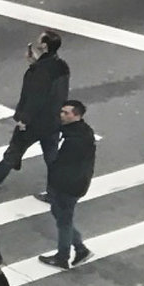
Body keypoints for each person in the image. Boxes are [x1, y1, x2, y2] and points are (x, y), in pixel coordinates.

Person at [0, 31, 70, 190]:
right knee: (51, 155)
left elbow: (36, 96)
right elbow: (51, 87)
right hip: (54, 119)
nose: (37, 41)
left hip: (37, 120)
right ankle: (59, 187)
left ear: (45, 45)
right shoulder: (61, 66)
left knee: (18, 146)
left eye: (40, 40)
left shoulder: (42, 71)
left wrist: (24, 118)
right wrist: (35, 64)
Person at [44, 101, 97, 270]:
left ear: (76, 115)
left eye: (66, 113)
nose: (62, 115)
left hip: (69, 186)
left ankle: (63, 257)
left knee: (64, 221)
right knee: (59, 214)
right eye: (62, 111)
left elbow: (63, 164)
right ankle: (80, 249)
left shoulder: (75, 140)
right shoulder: (79, 132)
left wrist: (54, 182)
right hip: (71, 184)